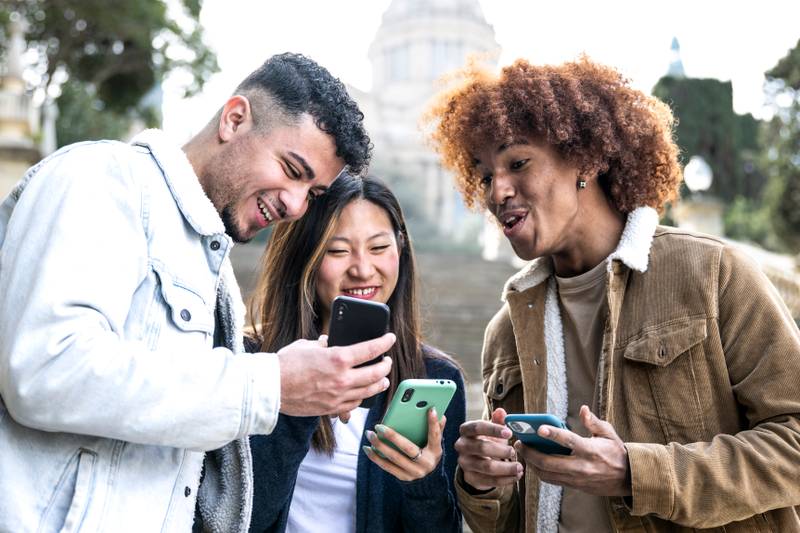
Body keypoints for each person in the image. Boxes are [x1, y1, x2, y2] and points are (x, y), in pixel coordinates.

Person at [0, 53, 395, 532]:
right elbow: (45, 370)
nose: (295, 206)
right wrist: (270, 385)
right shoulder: (100, 178)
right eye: (292, 169)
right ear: (234, 119)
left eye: (311, 193)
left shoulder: (218, 272)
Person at [424, 57, 800, 532]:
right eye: (484, 175)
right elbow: (506, 518)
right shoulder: (507, 330)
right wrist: (482, 484)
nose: (497, 191)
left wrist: (634, 472)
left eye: (518, 162)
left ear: (586, 158)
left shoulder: (710, 273)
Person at [245, 174, 465, 532]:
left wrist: (422, 482)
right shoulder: (253, 361)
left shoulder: (434, 377)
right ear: (306, 257)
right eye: (337, 251)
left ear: (401, 249)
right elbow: (238, 516)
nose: (363, 269)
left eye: (378, 248)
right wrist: (300, 403)